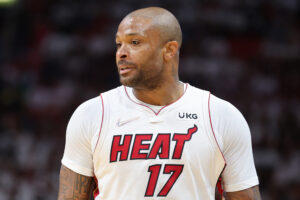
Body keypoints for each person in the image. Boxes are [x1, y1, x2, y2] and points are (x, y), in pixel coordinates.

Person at [58, 7, 261, 200]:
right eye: (119, 44)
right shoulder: (92, 114)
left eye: (135, 42)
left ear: (170, 50)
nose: (121, 53)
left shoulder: (221, 116)